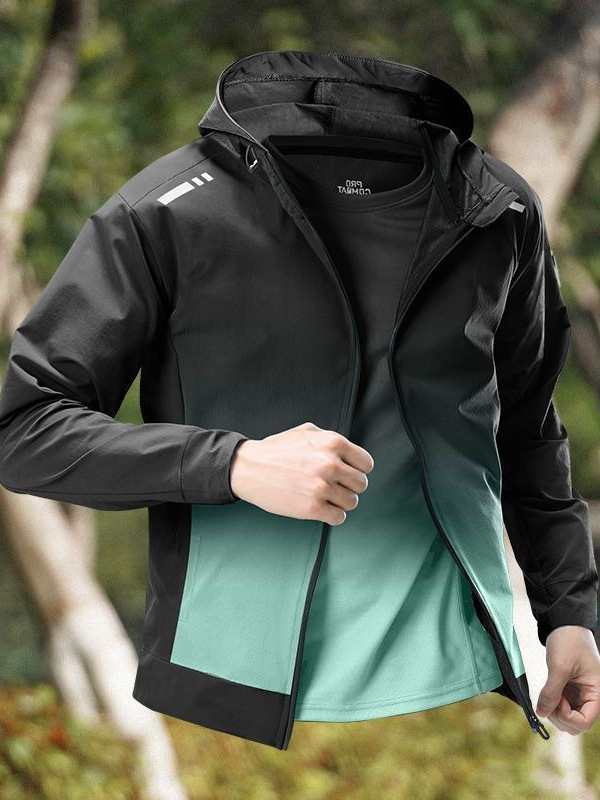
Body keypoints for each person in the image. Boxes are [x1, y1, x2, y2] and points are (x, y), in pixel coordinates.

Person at [0, 49, 598, 750]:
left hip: (477, 681)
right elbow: (25, 430)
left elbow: (527, 428)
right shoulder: (166, 210)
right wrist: (233, 465)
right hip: (226, 699)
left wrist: (570, 614)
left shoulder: (498, 209)